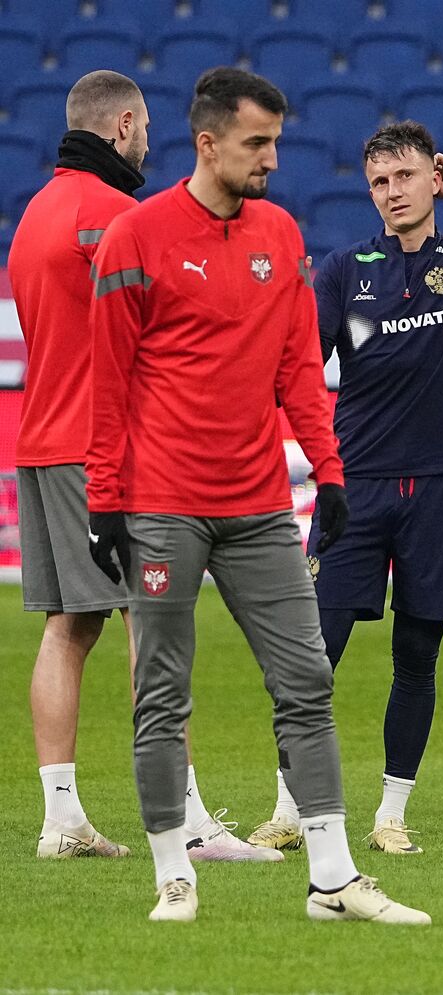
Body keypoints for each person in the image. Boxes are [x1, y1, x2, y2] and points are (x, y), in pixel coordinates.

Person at [86, 66, 427, 924]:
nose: (274, 157)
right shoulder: (136, 237)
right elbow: (110, 382)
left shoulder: (281, 231)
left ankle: (333, 879)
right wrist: (103, 498)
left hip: (260, 507)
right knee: (163, 692)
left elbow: (297, 370)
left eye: (275, 140)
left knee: (308, 679)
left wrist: (331, 469)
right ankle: (174, 876)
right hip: (163, 506)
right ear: (208, 144)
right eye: (257, 143)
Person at [245, 121, 443, 855]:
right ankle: (290, 807)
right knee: (313, 657)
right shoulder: (345, 269)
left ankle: (391, 814)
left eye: (408, 177)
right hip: (353, 490)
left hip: (441, 485)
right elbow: (299, 368)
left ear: (432, 178)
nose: (393, 193)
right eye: (380, 182)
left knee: (418, 656)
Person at [10, 69, 264, 863]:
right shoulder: (119, 215)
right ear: (122, 126)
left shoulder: (32, 217)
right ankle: (184, 815)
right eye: (147, 128)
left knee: (68, 625)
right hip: (109, 452)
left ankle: (62, 817)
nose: (151, 142)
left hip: (40, 441)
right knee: (153, 624)